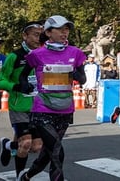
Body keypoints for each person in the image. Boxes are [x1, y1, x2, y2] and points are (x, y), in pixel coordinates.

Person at [16, 15, 87, 181]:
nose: (64, 33)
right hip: (43, 110)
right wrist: (24, 85)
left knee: (48, 154)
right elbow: (23, 76)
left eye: (67, 29)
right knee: (57, 151)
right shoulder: (37, 54)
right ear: (48, 32)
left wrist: (74, 74)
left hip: (65, 109)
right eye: (60, 29)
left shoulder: (75, 53)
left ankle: (26, 177)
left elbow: (83, 79)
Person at [0, 21, 44, 178]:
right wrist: (17, 86)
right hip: (19, 106)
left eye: (41, 35)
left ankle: (8, 145)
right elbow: (0, 81)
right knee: (26, 143)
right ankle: (19, 176)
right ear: (25, 35)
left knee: (36, 147)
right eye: (36, 35)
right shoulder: (14, 57)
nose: (39, 38)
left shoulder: (44, 54)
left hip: (38, 107)